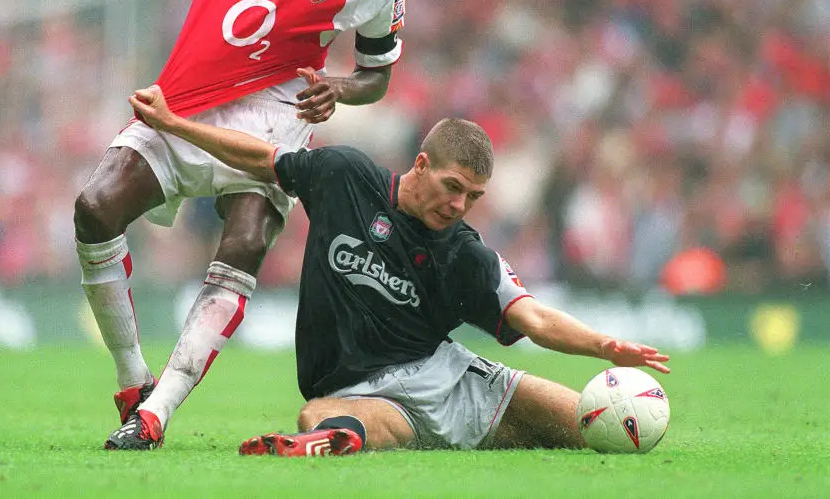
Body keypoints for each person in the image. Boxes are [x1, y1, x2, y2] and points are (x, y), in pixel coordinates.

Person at [81, 0, 406, 451]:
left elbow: (376, 75)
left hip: (274, 115)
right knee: (94, 208)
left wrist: (339, 88)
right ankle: (131, 382)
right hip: (189, 97)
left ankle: (157, 414)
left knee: (248, 237)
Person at [127, 84, 672, 455]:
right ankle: (324, 443)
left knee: (593, 427)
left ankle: (332, 439)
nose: (459, 205)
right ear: (420, 165)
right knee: (318, 416)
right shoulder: (345, 177)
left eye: (473, 196)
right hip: (358, 391)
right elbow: (260, 157)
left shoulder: (466, 254)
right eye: (451, 187)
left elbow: (534, 320)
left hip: (451, 382)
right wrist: (175, 125)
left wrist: (606, 348)